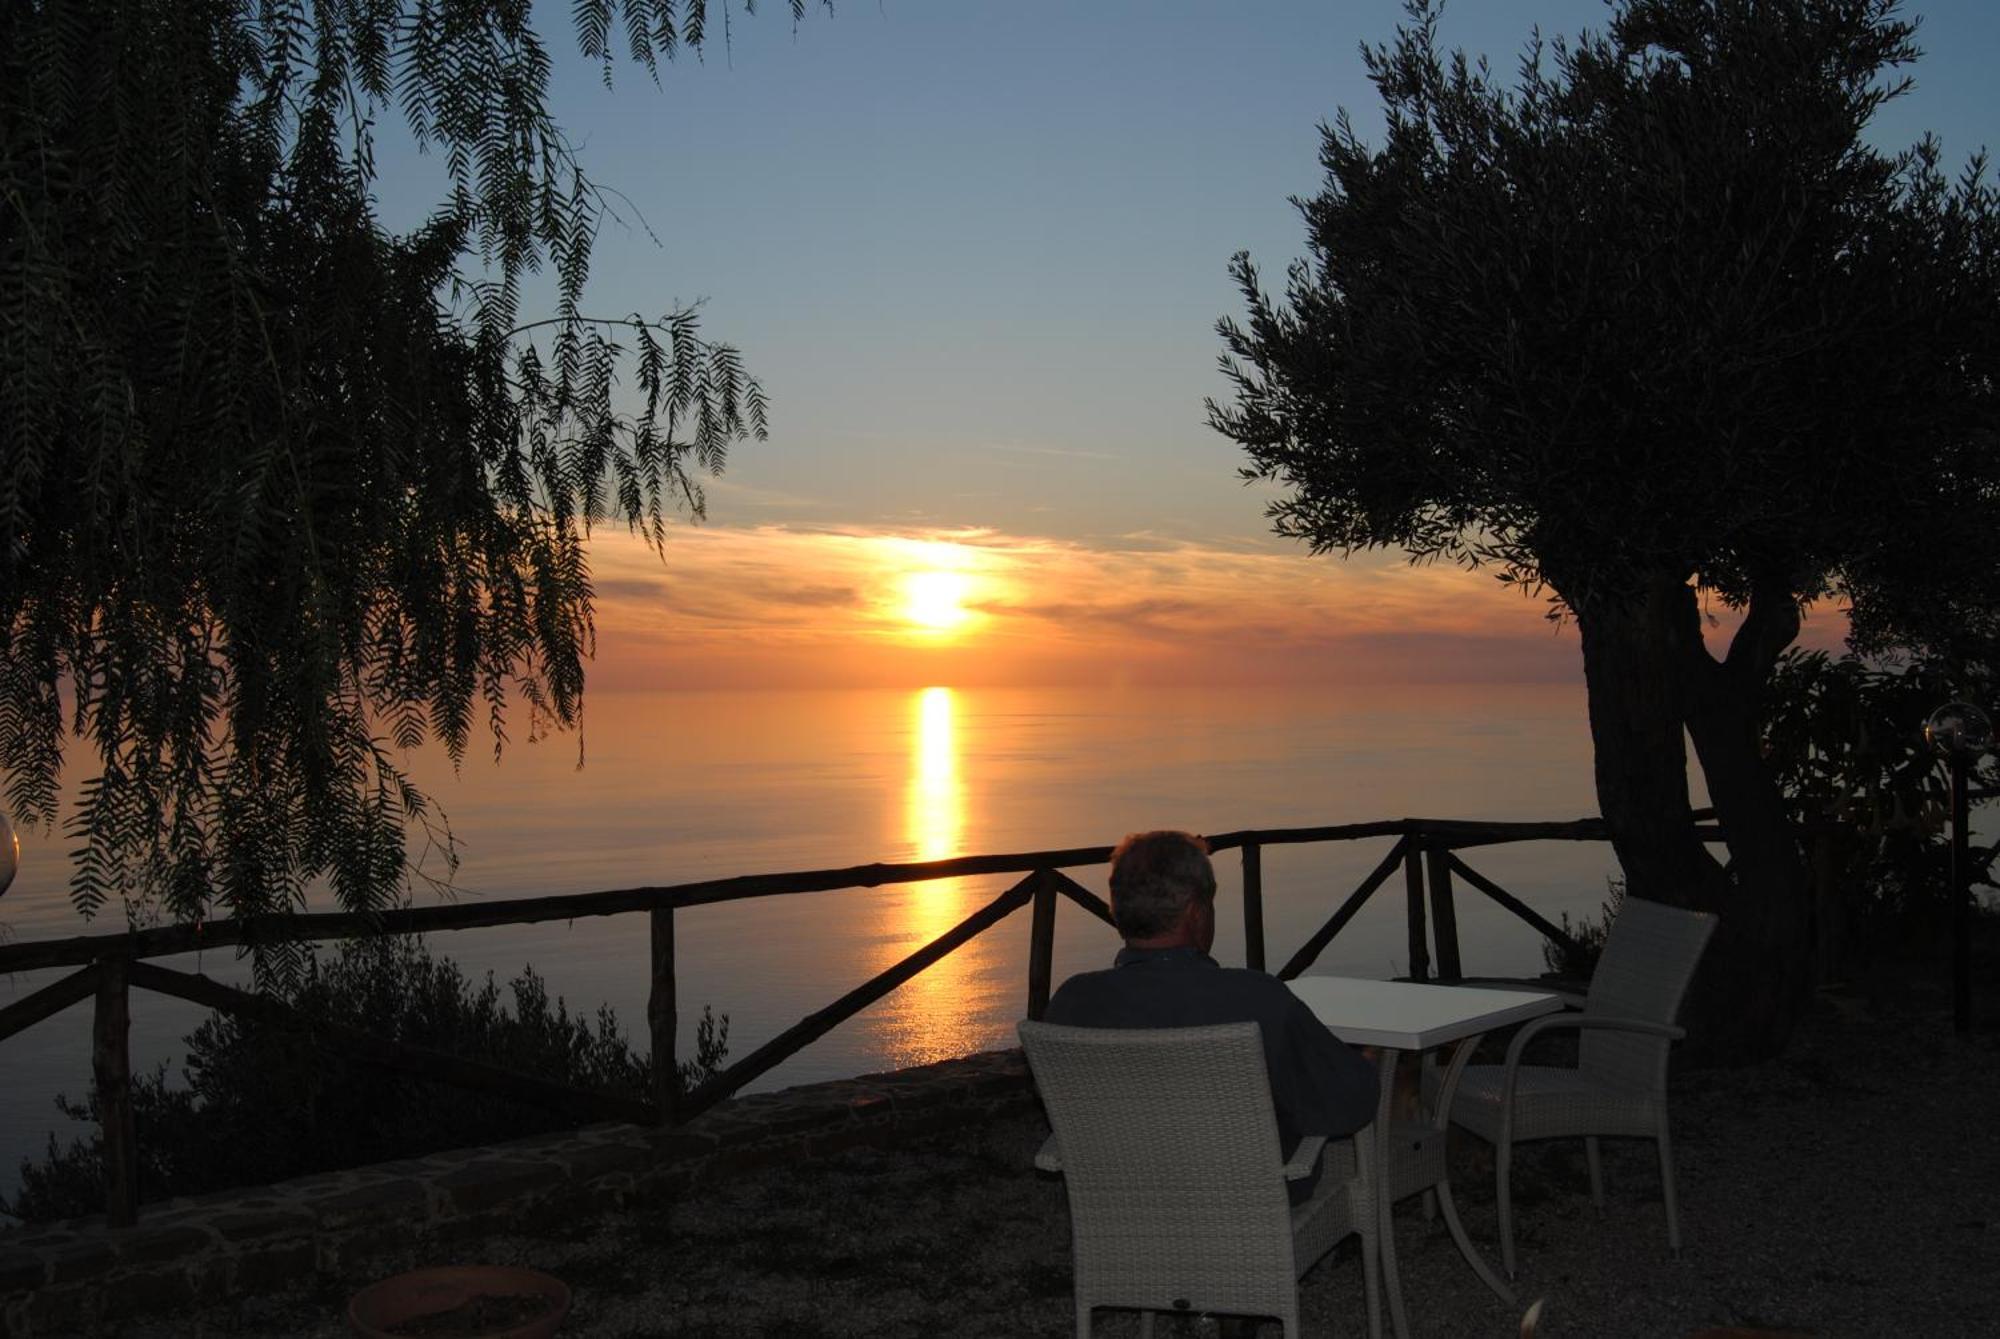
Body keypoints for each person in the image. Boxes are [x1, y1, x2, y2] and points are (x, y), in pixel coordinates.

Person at [1043, 829, 1379, 1205]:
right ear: (1196, 913)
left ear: (1118, 912)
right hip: (1253, 1205)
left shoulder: (1072, 1004)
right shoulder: (1254, 1000)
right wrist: (1367, 1064)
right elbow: (1348, 1106)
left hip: (1125, 1208)